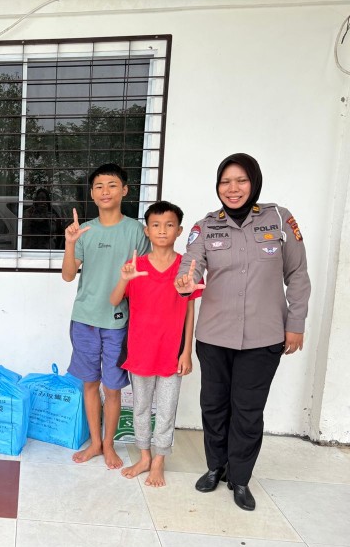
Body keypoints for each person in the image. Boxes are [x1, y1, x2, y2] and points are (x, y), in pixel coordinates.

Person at [175, 153, 310, 511]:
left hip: (264, 337)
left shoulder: (279, 218)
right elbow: (192, 261)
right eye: (225, 182)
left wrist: (295, 324)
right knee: (214, 407)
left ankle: (241, 478)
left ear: (254, 183)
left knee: (248, 410)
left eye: (241, 181)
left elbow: (297, 275)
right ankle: (215, 467)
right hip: (214, 336)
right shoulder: (206, 226)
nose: (232, 189)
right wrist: (186, 278)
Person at [62, 163, 150, 469]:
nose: (105, 191)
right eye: (99, 186)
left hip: (118, 323)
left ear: (124, 190)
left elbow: (147, 275)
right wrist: (70, 244)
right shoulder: (84, 230)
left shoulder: (137, 231)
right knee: (89, 383)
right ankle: (96, 445)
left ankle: (109, 444)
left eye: (112, 185)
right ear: (92, 193)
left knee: (112, 388)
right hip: (85, 318)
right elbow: (68, 276)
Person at [109, 201, 201, 487]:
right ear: (147, 231)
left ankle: (160, 460)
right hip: (140, 350)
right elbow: (114, 301)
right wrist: (124, 279)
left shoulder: (186, 267)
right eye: (156, 225)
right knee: (140, 407)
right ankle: (144, 456)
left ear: (179, 230)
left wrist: (186, 351)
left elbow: (189, 310)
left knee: (166, 408)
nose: (163, 231)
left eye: (169, 225)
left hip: (172, 352)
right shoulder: (137, 266)